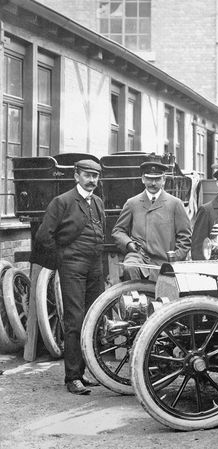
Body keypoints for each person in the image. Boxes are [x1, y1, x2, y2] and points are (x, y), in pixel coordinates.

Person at [35, 159, 105, 395]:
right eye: (87, 175)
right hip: (73, 266)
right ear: (76, 176)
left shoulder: (97, 202)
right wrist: (61, 261)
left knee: (93, 318)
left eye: (95, 176)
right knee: (75, 320)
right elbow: (44, 236)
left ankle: (83, 372)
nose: (92, 180)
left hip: (95, 267)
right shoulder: (62, 202)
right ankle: (72, 377)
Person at [112, 161, 192, 280]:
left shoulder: (175, 204)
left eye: (157, 179)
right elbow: (118, 231)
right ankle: (135, 296)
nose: (153, 183)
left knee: (164, 295)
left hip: (164, 261)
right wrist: (129, 244)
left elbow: (185, 237)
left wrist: (175, 257)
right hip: (139, 257)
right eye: (149, 179)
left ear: (164, 180)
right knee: (130, 267)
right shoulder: (132, 203)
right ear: (143, 179)